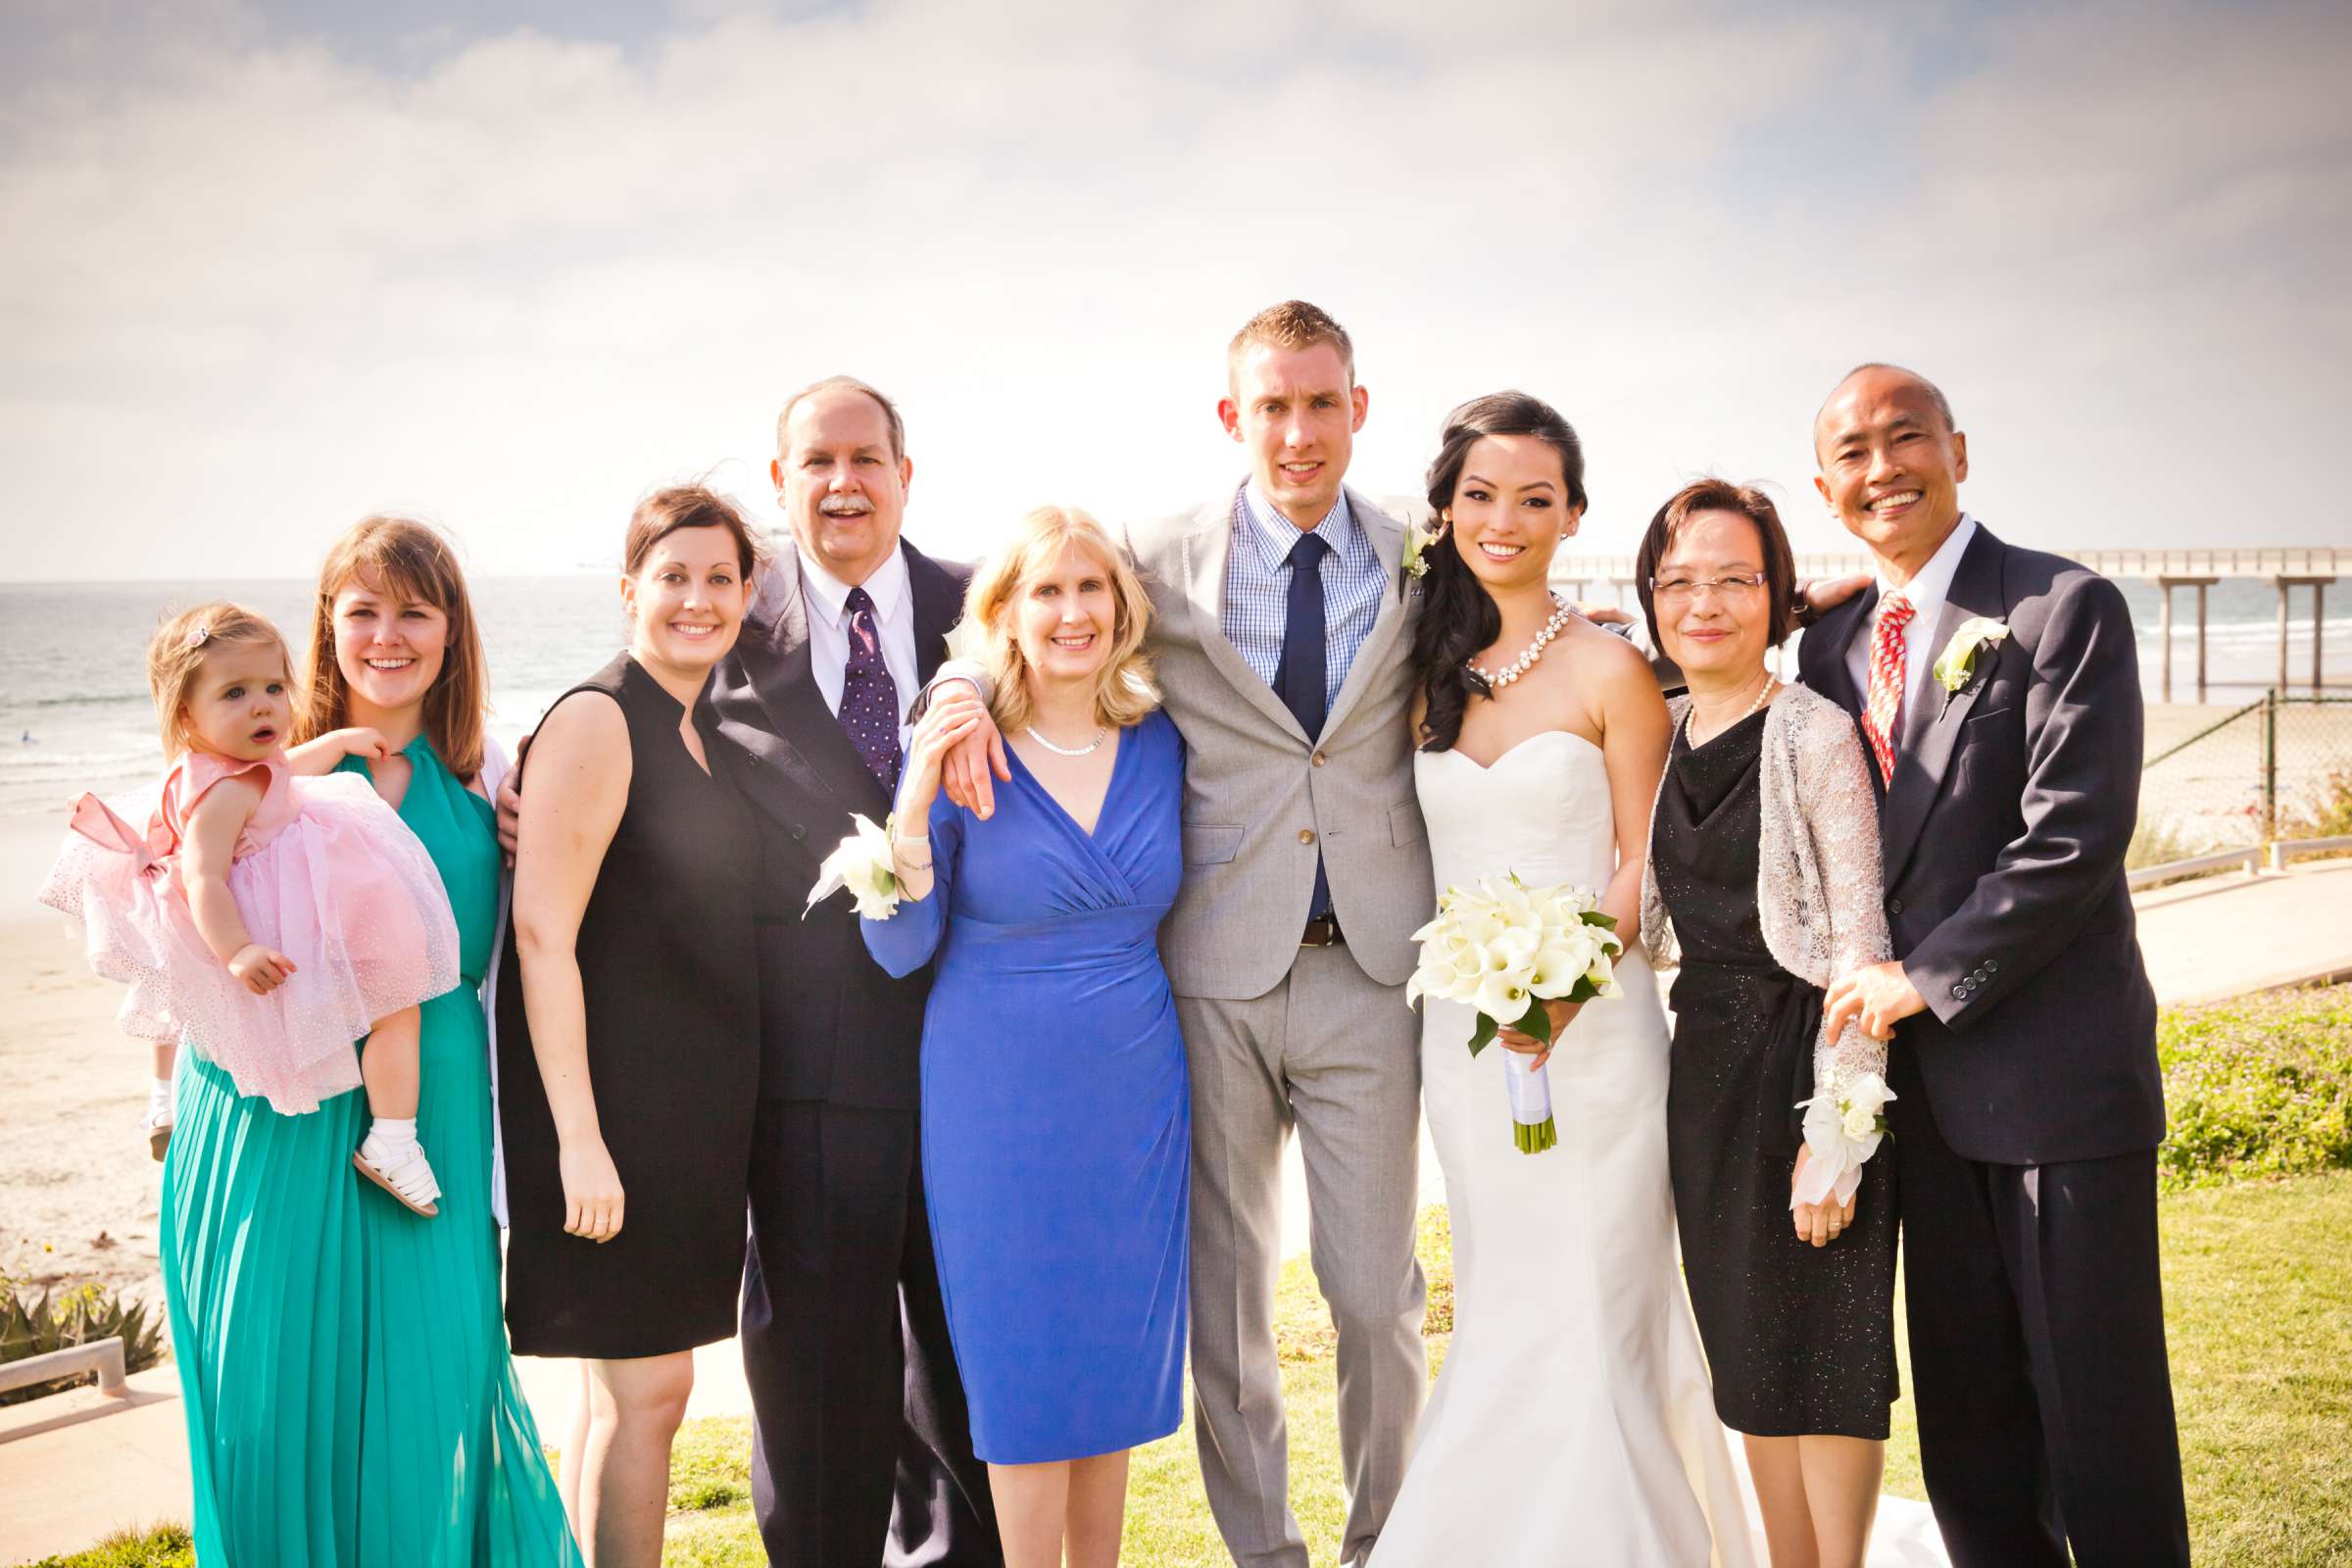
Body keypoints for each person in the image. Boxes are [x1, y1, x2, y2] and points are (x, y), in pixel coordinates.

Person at [938, 301, 1433, 1568]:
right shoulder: (1154, 561)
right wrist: (952, 698)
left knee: (1375, 1300)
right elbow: (1026, 617)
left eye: (1322, 402)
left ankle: (1386, 1542)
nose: (1299, 430)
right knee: (1228, 1308)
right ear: (1233, 418)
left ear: (1358, 409)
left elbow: (1531, 632)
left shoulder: (1423, 560)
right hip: (1207, 976)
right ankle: (1263, 1554)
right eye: (1272, 405)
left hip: (1370, 972)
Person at [42, 564, 579, 1562]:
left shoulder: (493, 769)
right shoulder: (246, 767)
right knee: (269, 1386)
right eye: (362, 608)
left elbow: (558, 931)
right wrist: (162, 1086)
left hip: (427, 1106)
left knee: (432, 1377)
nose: (388, 633)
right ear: (325, 626)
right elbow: (170, 908)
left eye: (415, 609)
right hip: (265, 1101)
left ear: (452, 629)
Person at [1803, 364, 2187, 1567]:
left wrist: (1924, 976)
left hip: (2058, 1087)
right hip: (1921, 1109)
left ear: (1958, 450)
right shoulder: (1830, 642)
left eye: (1905, 439)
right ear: (1826, 488)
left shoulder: (2061, 607)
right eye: (1853, 456)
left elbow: (2074, 836)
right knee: (1970, 1428)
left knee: (2100, 1419)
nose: (1883, 470)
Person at [1368, 393, 1750, 1565]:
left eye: (1537, 498)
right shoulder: (1417, 668)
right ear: (1443, 511)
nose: (1507, 518)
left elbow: (1647, 860)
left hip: (1595, 1038)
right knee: (1503, 1290)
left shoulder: (1613, 669)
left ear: (1574, 513)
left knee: (1600, 1294)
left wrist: (1565, 990)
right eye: (1481, 494)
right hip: (1467, 1042)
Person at [859, 506, 1188, 1568]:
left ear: (1123, 607)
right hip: (995, 1100)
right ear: (1002, 612)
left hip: (1136, 1092)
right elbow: (900, 948)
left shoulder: (1160, 738)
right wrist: (912, 809)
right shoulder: (961, 740)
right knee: (1024, 1377)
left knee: (1111, 1373)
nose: (1073, 611)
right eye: (1046, 591)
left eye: (1092, 588)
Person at [498, 486, 764, 1567]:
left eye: (719, 578)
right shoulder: (600, 716)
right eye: (673, 576)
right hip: (611, 1122)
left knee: (624, 1395)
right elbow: (540, 939)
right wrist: (579, 1140)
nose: (697, 599)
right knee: (647, 1391)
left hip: (681, 1121)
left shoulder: (699, 727)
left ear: (749, 594)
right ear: (628, 592)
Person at [1637, 479, 1899, 1568]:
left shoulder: (1816, 734)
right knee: (1748, 1354)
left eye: (1734, 578)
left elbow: (1859, 947)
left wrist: (1837, 1139)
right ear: (1651, 596)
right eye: (1680, 579)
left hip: (1809, 1065)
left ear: (1775, 594)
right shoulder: (1655, 731)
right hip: (1704, 1071)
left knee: (1829, 1354)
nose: (1706, 602)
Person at [43, 602, 453, 1209]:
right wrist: (238, 951)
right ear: (185, 714)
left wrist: (338, 740)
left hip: (250, 919)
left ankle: (164, 1097)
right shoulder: (224, 791)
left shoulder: (227, 769)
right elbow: (203, 878)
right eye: (234, 692)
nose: (263, 705)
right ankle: (394, 1138)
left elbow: (284, 770)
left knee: (187, 1000)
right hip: (266, 930)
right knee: (397, 1003)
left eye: (273, 687)